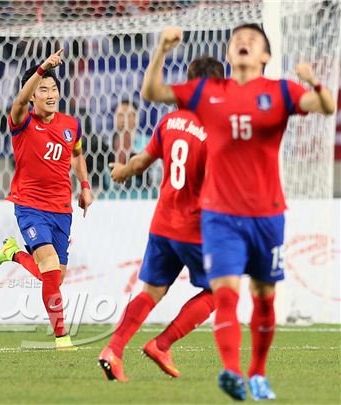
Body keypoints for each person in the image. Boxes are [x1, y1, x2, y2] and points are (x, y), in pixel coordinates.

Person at [141, 24, 335, 400]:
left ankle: (257, 373)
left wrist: (315, 83)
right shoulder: (207, 91)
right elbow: (152, 92)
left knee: (264, 297)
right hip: (219, 215)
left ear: (265, 56)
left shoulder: (281, 91)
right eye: (237, 41)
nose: (244, 43)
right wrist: (162, 50)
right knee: (225, 293)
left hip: (267, 214)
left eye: (253, 40)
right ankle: (231, 371)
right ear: (229, 55)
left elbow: (326, 108)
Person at [98, 56, 225, 382]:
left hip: (162, 224)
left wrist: (121, 171)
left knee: (151, 291)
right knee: (219, 291)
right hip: (194, 228)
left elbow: (140, 163)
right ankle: (162, 344)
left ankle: (113, 348)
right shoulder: (215, 130)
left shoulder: (171, 121)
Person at [0, 49, 93, 349]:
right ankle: (62, 336)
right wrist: (42, 68)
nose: (49, 94)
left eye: (53, 89)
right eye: (42, 90)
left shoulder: (71, 125)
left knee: (54, 278)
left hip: (62, 208)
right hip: (30, 206)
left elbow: (77, 155)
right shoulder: (21, 120)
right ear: (33, 96)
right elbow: (19, 101)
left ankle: (13, 253)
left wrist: (85, 186)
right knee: (49, 268)